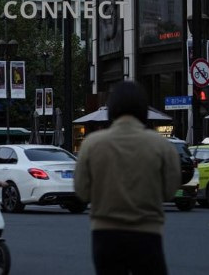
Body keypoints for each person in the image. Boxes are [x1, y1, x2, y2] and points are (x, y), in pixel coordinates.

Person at [74, 81, 181, 275]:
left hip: (105, 234)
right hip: (148, 233)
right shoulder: (162, 146)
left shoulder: (92, 144)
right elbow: (170, 191)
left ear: (112, 108)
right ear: (143, 109)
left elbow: (82, 192)